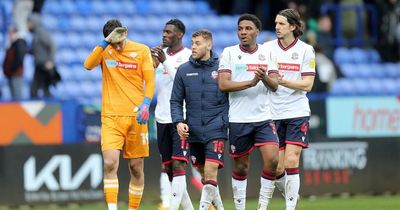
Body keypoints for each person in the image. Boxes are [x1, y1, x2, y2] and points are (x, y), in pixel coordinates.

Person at [83, 19, 155, 210]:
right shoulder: (105, 50)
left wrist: (146, 104)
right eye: (114, 41)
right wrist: (106, 42)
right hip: (111, 117)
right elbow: (88, 65)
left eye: (120, 39)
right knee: (109, 163)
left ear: (126, 33)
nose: (119, 44)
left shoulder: (141, 50)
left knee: (136, 167)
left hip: (136, 117)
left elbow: (150, 79)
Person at [218, 14, 279, 210]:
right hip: (238, 118)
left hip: (263, 117)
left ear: (257, 32)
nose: (243, 32)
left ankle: (262, 207)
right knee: (241, 167)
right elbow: (223, 84)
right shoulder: (229, 52)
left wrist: (264, 79)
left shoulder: (268, 53)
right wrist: (250, 82)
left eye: (248, 28)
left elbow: (275, 85)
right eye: (240, 28)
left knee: (273, 160)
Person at [264, 8, 316, 210]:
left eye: (281, 24)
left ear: (293, 26)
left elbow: (307, 84)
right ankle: (292, 195)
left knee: (292, 161)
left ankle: (290, 207)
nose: (277, 27)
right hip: (272, 112)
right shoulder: (267, 48)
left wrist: (283, 81)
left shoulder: (305, 50)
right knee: (276, 167)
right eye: (276, 23)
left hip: (297, 111)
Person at [171, 29, 227, 210]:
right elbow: (176, 101)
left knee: (211, 173)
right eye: (192, 43)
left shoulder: (223, 67)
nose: (193, 47)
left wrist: (225, 120)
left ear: (209, 45)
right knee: (206, 177)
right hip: (193, 131)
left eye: (198, 43)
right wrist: (179, 121)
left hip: (216, 128)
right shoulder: (184, 70)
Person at [151, 19, 193, 210]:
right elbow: (151, 88)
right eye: (164, 31)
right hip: (160, 117)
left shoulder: (188, 56)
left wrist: (164, 62)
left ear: (180, 35)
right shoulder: (159, 57)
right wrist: (151, 66)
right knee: (168, 168)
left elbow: (183, 83)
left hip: (180, 118)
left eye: (169, 32)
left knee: (178, 165)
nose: (164, 35)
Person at [27, 14, 58, 98]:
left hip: (45, 65)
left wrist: (50, 61)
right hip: (39, 65)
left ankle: (50, 109)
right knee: (36, 89)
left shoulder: (41, 32)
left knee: (43, 89)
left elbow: (52, 45)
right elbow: (36, 49)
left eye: (28, 23)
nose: (27, 25)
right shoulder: (35, 34)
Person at [3, 24, 27, 100]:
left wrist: (11, 68)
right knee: (13, 97)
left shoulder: (19, 42)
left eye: (11, 32)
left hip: (16, 73)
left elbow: (19, 58)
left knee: (17, 96)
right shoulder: (11, 43)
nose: (9, 34)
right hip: (10, 73)